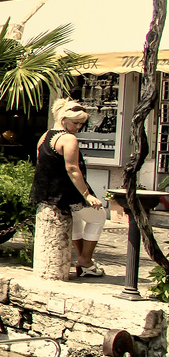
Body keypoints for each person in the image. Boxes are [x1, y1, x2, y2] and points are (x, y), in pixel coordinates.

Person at [33, 100, 110, 277]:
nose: (78, 127)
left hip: (50, 192)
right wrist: (87, 194)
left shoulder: (45, 136)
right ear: (63, 119)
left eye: (81, 124)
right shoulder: (68, 139)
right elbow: (72, 168)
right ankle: (85, 260)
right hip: (68, 190)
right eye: (75, 123)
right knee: (99, 216)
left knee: (77, 221)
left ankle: (85, 262)